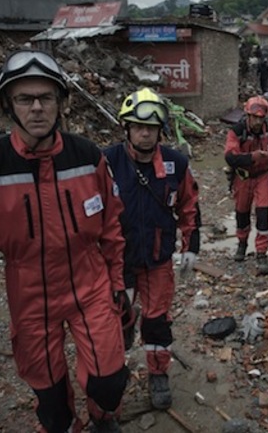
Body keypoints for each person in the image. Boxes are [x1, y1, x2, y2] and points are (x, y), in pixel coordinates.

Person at [0, 49, 129, 433]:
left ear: (60, 103)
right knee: (49, 398)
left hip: (89, 281)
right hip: (28, 290)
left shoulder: (87, 156)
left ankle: (102, 415)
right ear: (8, 105)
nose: (37, 108)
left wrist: (118, 282)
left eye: (46, 97)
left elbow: (113, 226)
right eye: (25, 99)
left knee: (110, 379)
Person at [104, 87, 201, 411]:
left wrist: (191, 245)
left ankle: (158, 373)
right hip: (118, 263)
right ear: (126, 128)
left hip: (158, 259)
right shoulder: (106, 162)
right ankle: (113, 372)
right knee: (116, 319)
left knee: (157, 321)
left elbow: (189, 206)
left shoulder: (176, 163)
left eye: (151, 128)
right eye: (137, 126)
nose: (144, 133)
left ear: (161, 130)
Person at [224, 96, 268, 275]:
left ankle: (261, 252)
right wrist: (252, 157)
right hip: (242, 177)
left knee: (263, 212)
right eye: (254, 117)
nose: (258, 122)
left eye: (261, 118)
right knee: (242, 212)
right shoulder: (237, 131)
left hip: (262, 176)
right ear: (248, 116)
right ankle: (242, 243)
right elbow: (230, 156)